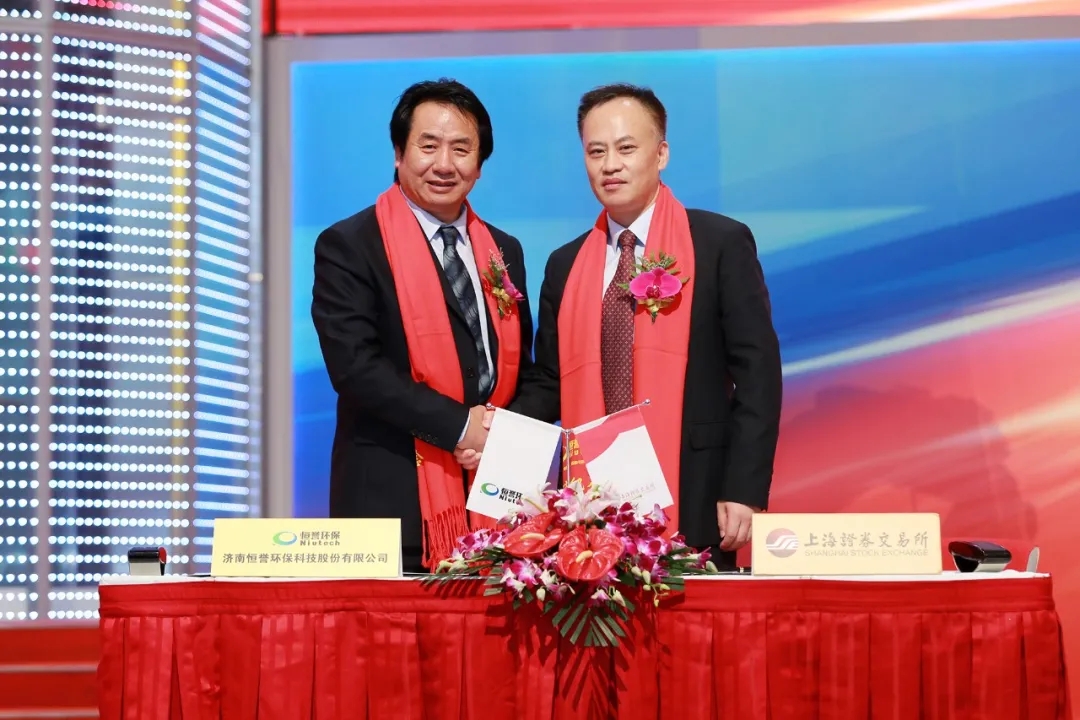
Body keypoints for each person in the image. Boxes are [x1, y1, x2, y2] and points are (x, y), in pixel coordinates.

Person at [509, 83, 782, 567]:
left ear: (661, 154)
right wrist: (492, 429)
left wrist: (744, 487)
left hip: (698, 491)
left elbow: (758, 373)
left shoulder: (719, 243)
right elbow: (550, 383)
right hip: (589, 504)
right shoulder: (564, 264)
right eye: (596, 152)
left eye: (626, 148)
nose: (610, 165)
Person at [311, 79, 533, 573]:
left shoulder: (504, 250)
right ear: (399, 153)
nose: (444, 164)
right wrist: (462, 428)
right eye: (428, 146)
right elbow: (356, 368)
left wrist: (499, 433)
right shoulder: (351, 244)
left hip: (497, 500)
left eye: (461, 149)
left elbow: (523, 367)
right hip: (391, 507)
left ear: (480, 164)